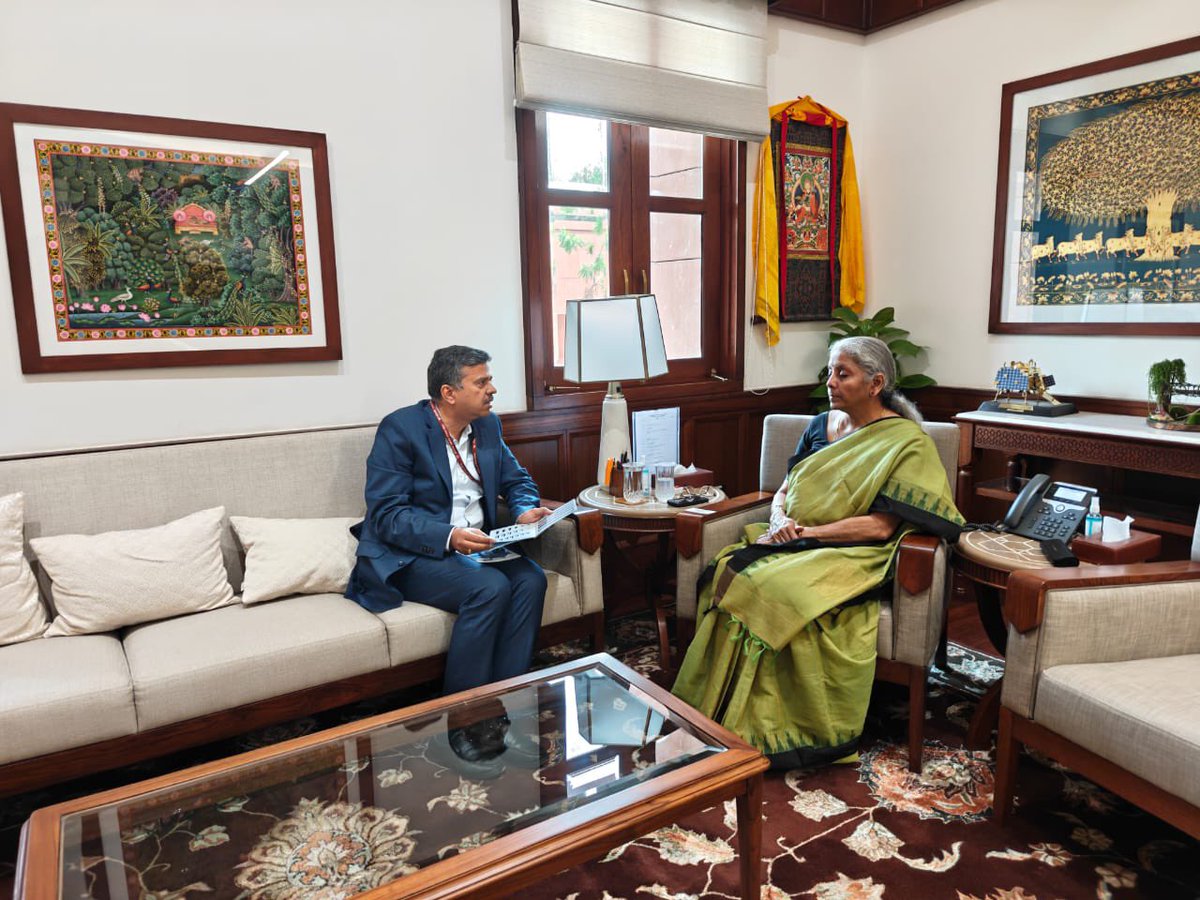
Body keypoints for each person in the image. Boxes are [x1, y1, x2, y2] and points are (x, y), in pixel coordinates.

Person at [672, 336, 962, 770]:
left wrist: (809, 531)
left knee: (773, 588)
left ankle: (772, 727)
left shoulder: (905, 442)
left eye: (842, 374)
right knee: (728, 570)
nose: (831, 382)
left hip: (853, 551)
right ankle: (710, 706)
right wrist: (777, 521)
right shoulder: (819, 426)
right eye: (830, 372)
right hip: (791, 537)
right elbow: (783, 490)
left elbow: (881, 526)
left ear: (875, 383)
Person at [345, 346, 551, 771]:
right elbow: (387, 514)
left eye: (489, 380)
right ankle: (460, 726)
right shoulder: (401, 430)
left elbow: (517, 480)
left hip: (480, 544)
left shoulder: (487, 426)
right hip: (414, 554)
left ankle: (500, 712)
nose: (492, 389)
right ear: (448, 392)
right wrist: (449, 536)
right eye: (481, 382)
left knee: (531, 579)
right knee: (489, 587)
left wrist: (526, 506)